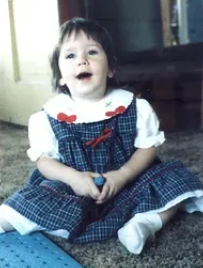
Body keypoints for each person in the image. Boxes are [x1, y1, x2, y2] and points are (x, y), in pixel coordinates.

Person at [0, 17, 203, 255]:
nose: (82, 60)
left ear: (110, 69)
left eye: (92, 52)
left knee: (176, 181)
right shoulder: (50, 116)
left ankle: (145, 224)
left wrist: (124, 175)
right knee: (33, 200)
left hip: (129, 181)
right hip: (72, 186)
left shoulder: (133, 107)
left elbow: (147, 148)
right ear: (61, 76)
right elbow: (45, 161)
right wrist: (73, 178)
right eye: (70, 56)